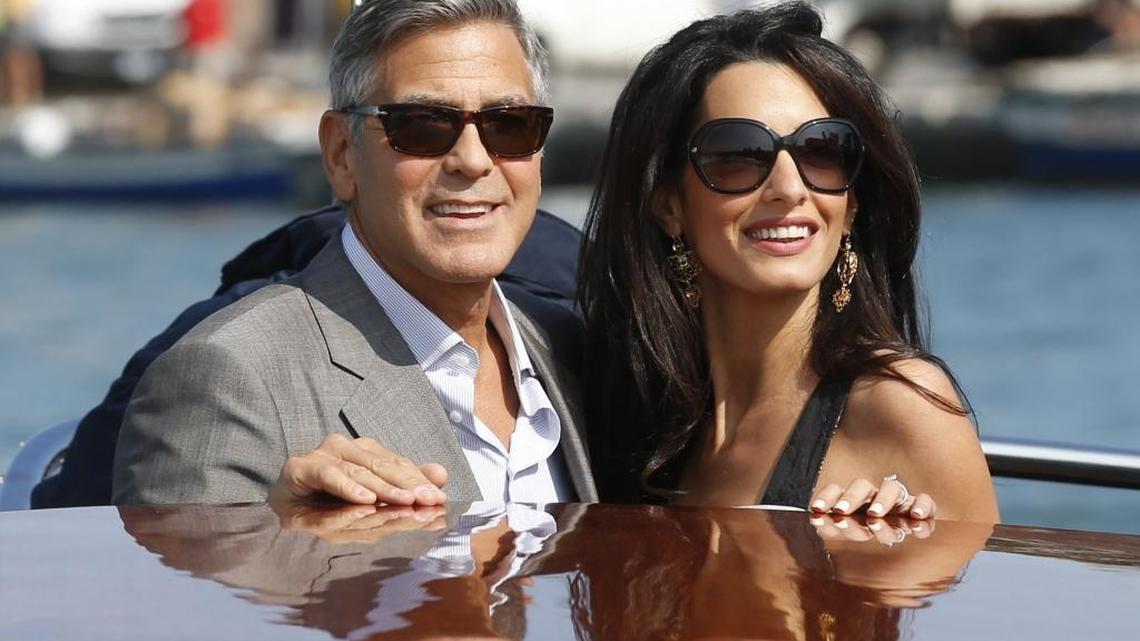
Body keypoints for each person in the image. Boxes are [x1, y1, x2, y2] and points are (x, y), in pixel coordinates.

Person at [112, 0, 597, 507]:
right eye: (423, 125)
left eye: (510, 124)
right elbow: (188, 586)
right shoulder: (228, 378)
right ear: (341, 154)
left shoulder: (572, 350)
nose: (473, 160)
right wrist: (282, 546)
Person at [578, 2, 999, 522]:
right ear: (669, 205)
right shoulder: (642, 424)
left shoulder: (902, 407)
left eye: (823, 150)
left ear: (852, 206)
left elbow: (979, 601)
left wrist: (880, 572)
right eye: (737, 154)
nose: (789, 189)